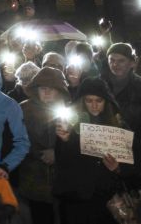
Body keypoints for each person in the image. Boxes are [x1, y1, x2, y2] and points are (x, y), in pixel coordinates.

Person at [53, 77, 139, 224]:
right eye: (89, 100)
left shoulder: (119, 125)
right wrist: (65, 142)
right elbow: (62, 163)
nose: (94, 106)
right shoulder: (69, 125)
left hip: (107, 200)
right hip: (77, 199)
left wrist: (118, 168)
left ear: (106, 102)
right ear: (82, 101)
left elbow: (134, 162)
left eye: (99, 101)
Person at [17, 66, 67, 224]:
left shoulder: (69, 110)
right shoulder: (24, 109)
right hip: (33, 179)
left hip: (62, 181)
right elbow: (17, 140)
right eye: (43, 88)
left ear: (59, 90)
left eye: (51, 89)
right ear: (36, 89)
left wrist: (57, 152)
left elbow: (75, 143)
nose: (46, 92)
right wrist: (38, 153)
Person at [103, 43, 141, 131]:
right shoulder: (99, 83)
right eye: (111, 60)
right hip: (103, 136)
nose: (115, 64)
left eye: (121, 61)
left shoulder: (138, 85)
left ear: (132, 63)